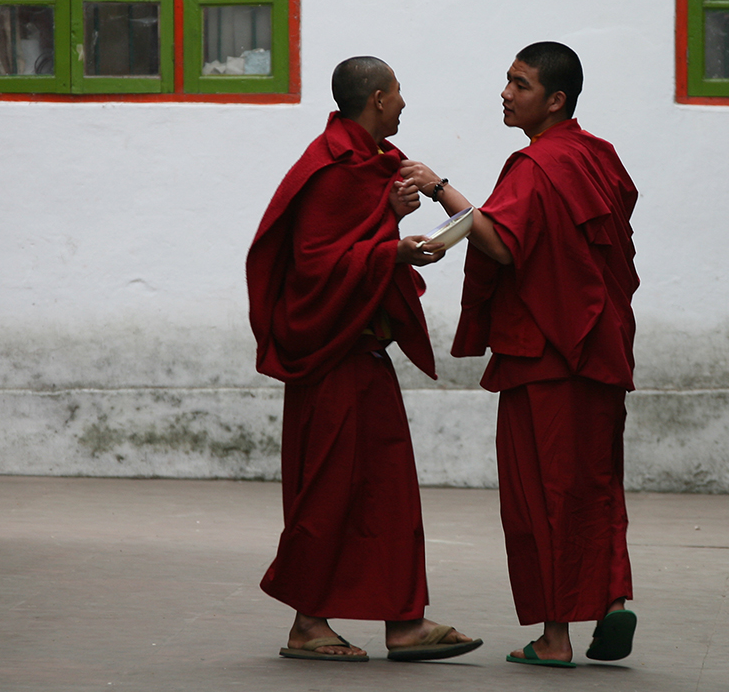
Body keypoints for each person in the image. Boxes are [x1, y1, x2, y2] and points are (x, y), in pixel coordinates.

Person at [400, 41, 639, 667]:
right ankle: (613, 602)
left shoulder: (536, 165)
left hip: (545, 356)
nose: (505, 93)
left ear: (554, 99)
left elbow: (504, 245)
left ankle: (555, 639)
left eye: (520, 84)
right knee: (597, 484)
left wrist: (438, 186)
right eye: (507, 81)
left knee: (544, 493)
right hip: (602, 348)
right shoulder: (599, 157)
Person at [246, 56, 483, 663]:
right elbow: (315, 267)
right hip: (332, 359)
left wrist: (393, 216)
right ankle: (307, 623)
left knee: (388, 489)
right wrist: (393, 253)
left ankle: (404, 621)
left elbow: (354, 236)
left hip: (363, 355)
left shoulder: (366, 164)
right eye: (399, 92)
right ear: (377, 99)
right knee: (328, 490)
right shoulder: (330, 167)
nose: (405, 103)